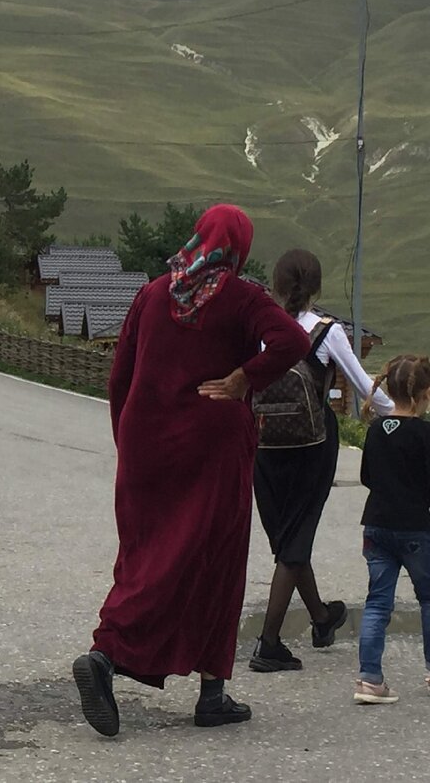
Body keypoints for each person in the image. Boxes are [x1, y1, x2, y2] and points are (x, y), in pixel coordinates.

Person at [72, 205, 309, 737]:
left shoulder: (154, 293)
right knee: (214, 560)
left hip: (147, 443)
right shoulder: (244, 297)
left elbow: (120, 379)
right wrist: (247, 379)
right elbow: (293, 341)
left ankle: (111, 658)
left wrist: (128, 442)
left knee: (147, 555)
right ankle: (201, 689)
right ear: (239, 247)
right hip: (213, 446)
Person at [249, 250, 395, 673]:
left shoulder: (260, 328)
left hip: (264, 445)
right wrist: (402, 414)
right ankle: (269, 643)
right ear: (316, 289)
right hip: (313, 446)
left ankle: (321, 618)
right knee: (295, 542)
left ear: (275, 286)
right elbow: (363, 386)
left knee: (287, 540)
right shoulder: (327, 333)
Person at [353, 355, 430, 704]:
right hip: (416, 525)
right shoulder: (424, 433)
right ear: (423, 395)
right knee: (427, 599)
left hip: (377, 524)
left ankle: (370, 679)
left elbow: (367, 476)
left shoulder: (375, 430)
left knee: (377, 602)